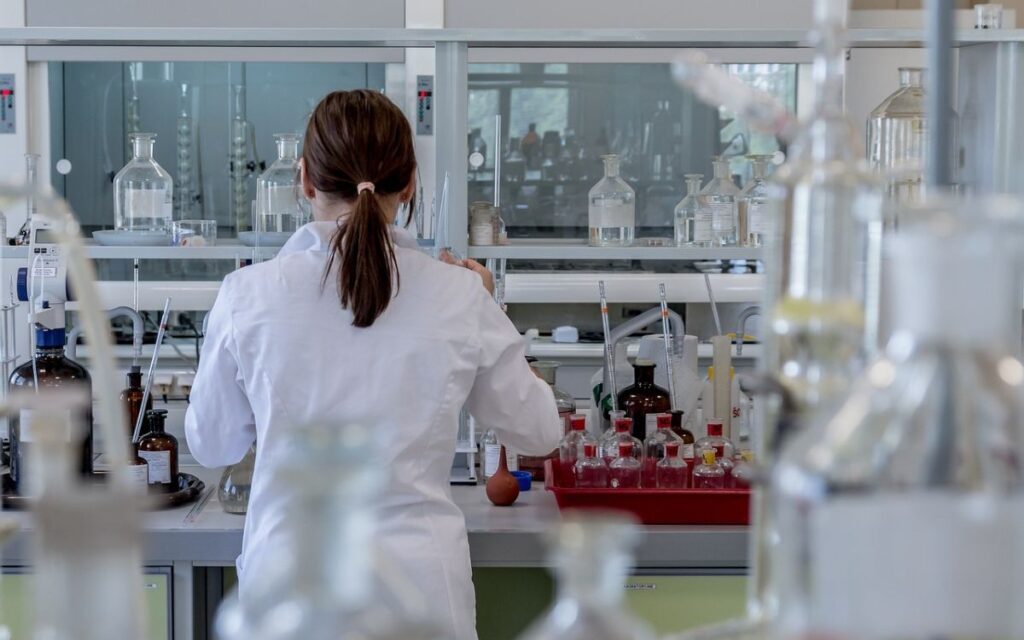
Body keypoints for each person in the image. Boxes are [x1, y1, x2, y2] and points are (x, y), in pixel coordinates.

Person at [185, 90, 562, 639]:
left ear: (305, 181)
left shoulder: (248, 294)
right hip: (422, 593)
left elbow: (212, 445)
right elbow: (540, 430)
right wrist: (489, 304)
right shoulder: (459, 294)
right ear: (409, 184)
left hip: (288, 594)